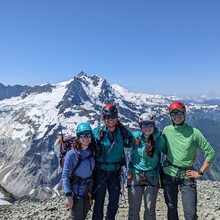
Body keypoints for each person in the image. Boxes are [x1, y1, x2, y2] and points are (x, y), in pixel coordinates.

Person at [162, 101, 216, 220]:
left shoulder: (194, 133)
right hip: (169, 174)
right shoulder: (166, 130)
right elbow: (165, 149)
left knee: (190, 214)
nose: (177, 116)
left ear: (184, 114)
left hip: (187, 175)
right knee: (171, 208)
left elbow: (211, 153)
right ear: (170, 116)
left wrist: (200, 172)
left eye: (179, 112)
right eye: (173, 113)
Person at [92, 103, 133, 220]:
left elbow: (131, 140)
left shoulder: (122, 132)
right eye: (107, 117)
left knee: (114, 202)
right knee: (99, 201)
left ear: (117, 118)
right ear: (104, 119)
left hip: (115, 171)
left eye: (112, 117)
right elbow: (83, 139)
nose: (110, 120)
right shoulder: (97, 132)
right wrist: (65, 141)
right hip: (101, 171)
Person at [127, 112, 166, 220]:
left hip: (151, 175)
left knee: (150, 209)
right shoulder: (135, 137)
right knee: (134, 208)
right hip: (136, 174)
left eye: (150, 125)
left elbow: (169, 152)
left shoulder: (159, 139)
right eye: (144, 125)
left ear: (154, 126)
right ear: (140, 127)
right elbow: (124, 143)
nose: (147, 128)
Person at [62, 122, 95, 220]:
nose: (86, 138)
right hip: (76, 194)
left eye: (88, 135)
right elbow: (65, 175)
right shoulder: (72, 154)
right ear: (78, 138)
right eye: (82, 135)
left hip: (87, 193)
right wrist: (68, 195)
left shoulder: (91, 151)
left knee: (83, 217)